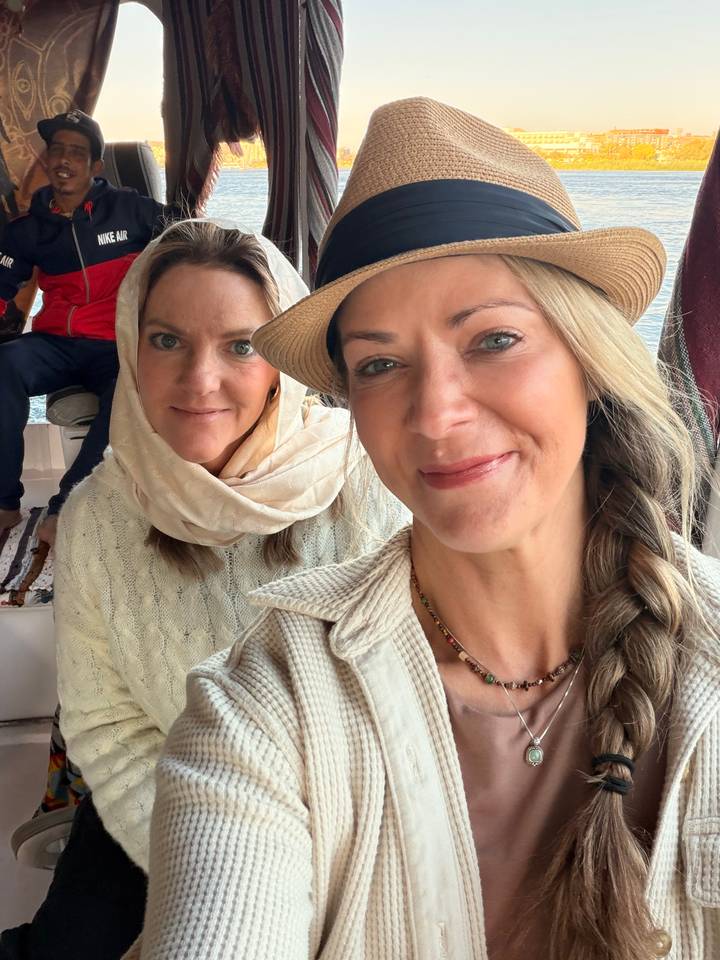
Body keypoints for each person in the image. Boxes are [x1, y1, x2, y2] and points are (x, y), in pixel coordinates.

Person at [137, 100, 720, 960]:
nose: (438, 414)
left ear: (590, 361)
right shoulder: (266, 707)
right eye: (379, 364)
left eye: (492, 339)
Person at [0, 218, 407, 960]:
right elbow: (106, 726)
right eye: (166, 341)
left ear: (284, 360)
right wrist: (216, 867)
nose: (199, 379)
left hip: (356, 823)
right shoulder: (97, 515)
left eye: (242, 346)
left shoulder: (370, 485)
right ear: (130, 347)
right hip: (159, 809)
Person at [0, 109, 180, 545]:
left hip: (115, 345)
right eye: (57, 149)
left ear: (96, 166)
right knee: (4, 363)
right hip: (55, 343)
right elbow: (3, 284)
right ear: (46, 160)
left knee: (129, 386)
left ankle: (66, 505)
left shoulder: (131, 210)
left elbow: (188, 239)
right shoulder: (26, 230)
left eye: (77, 152)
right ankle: (5, 503)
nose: (64, 158)